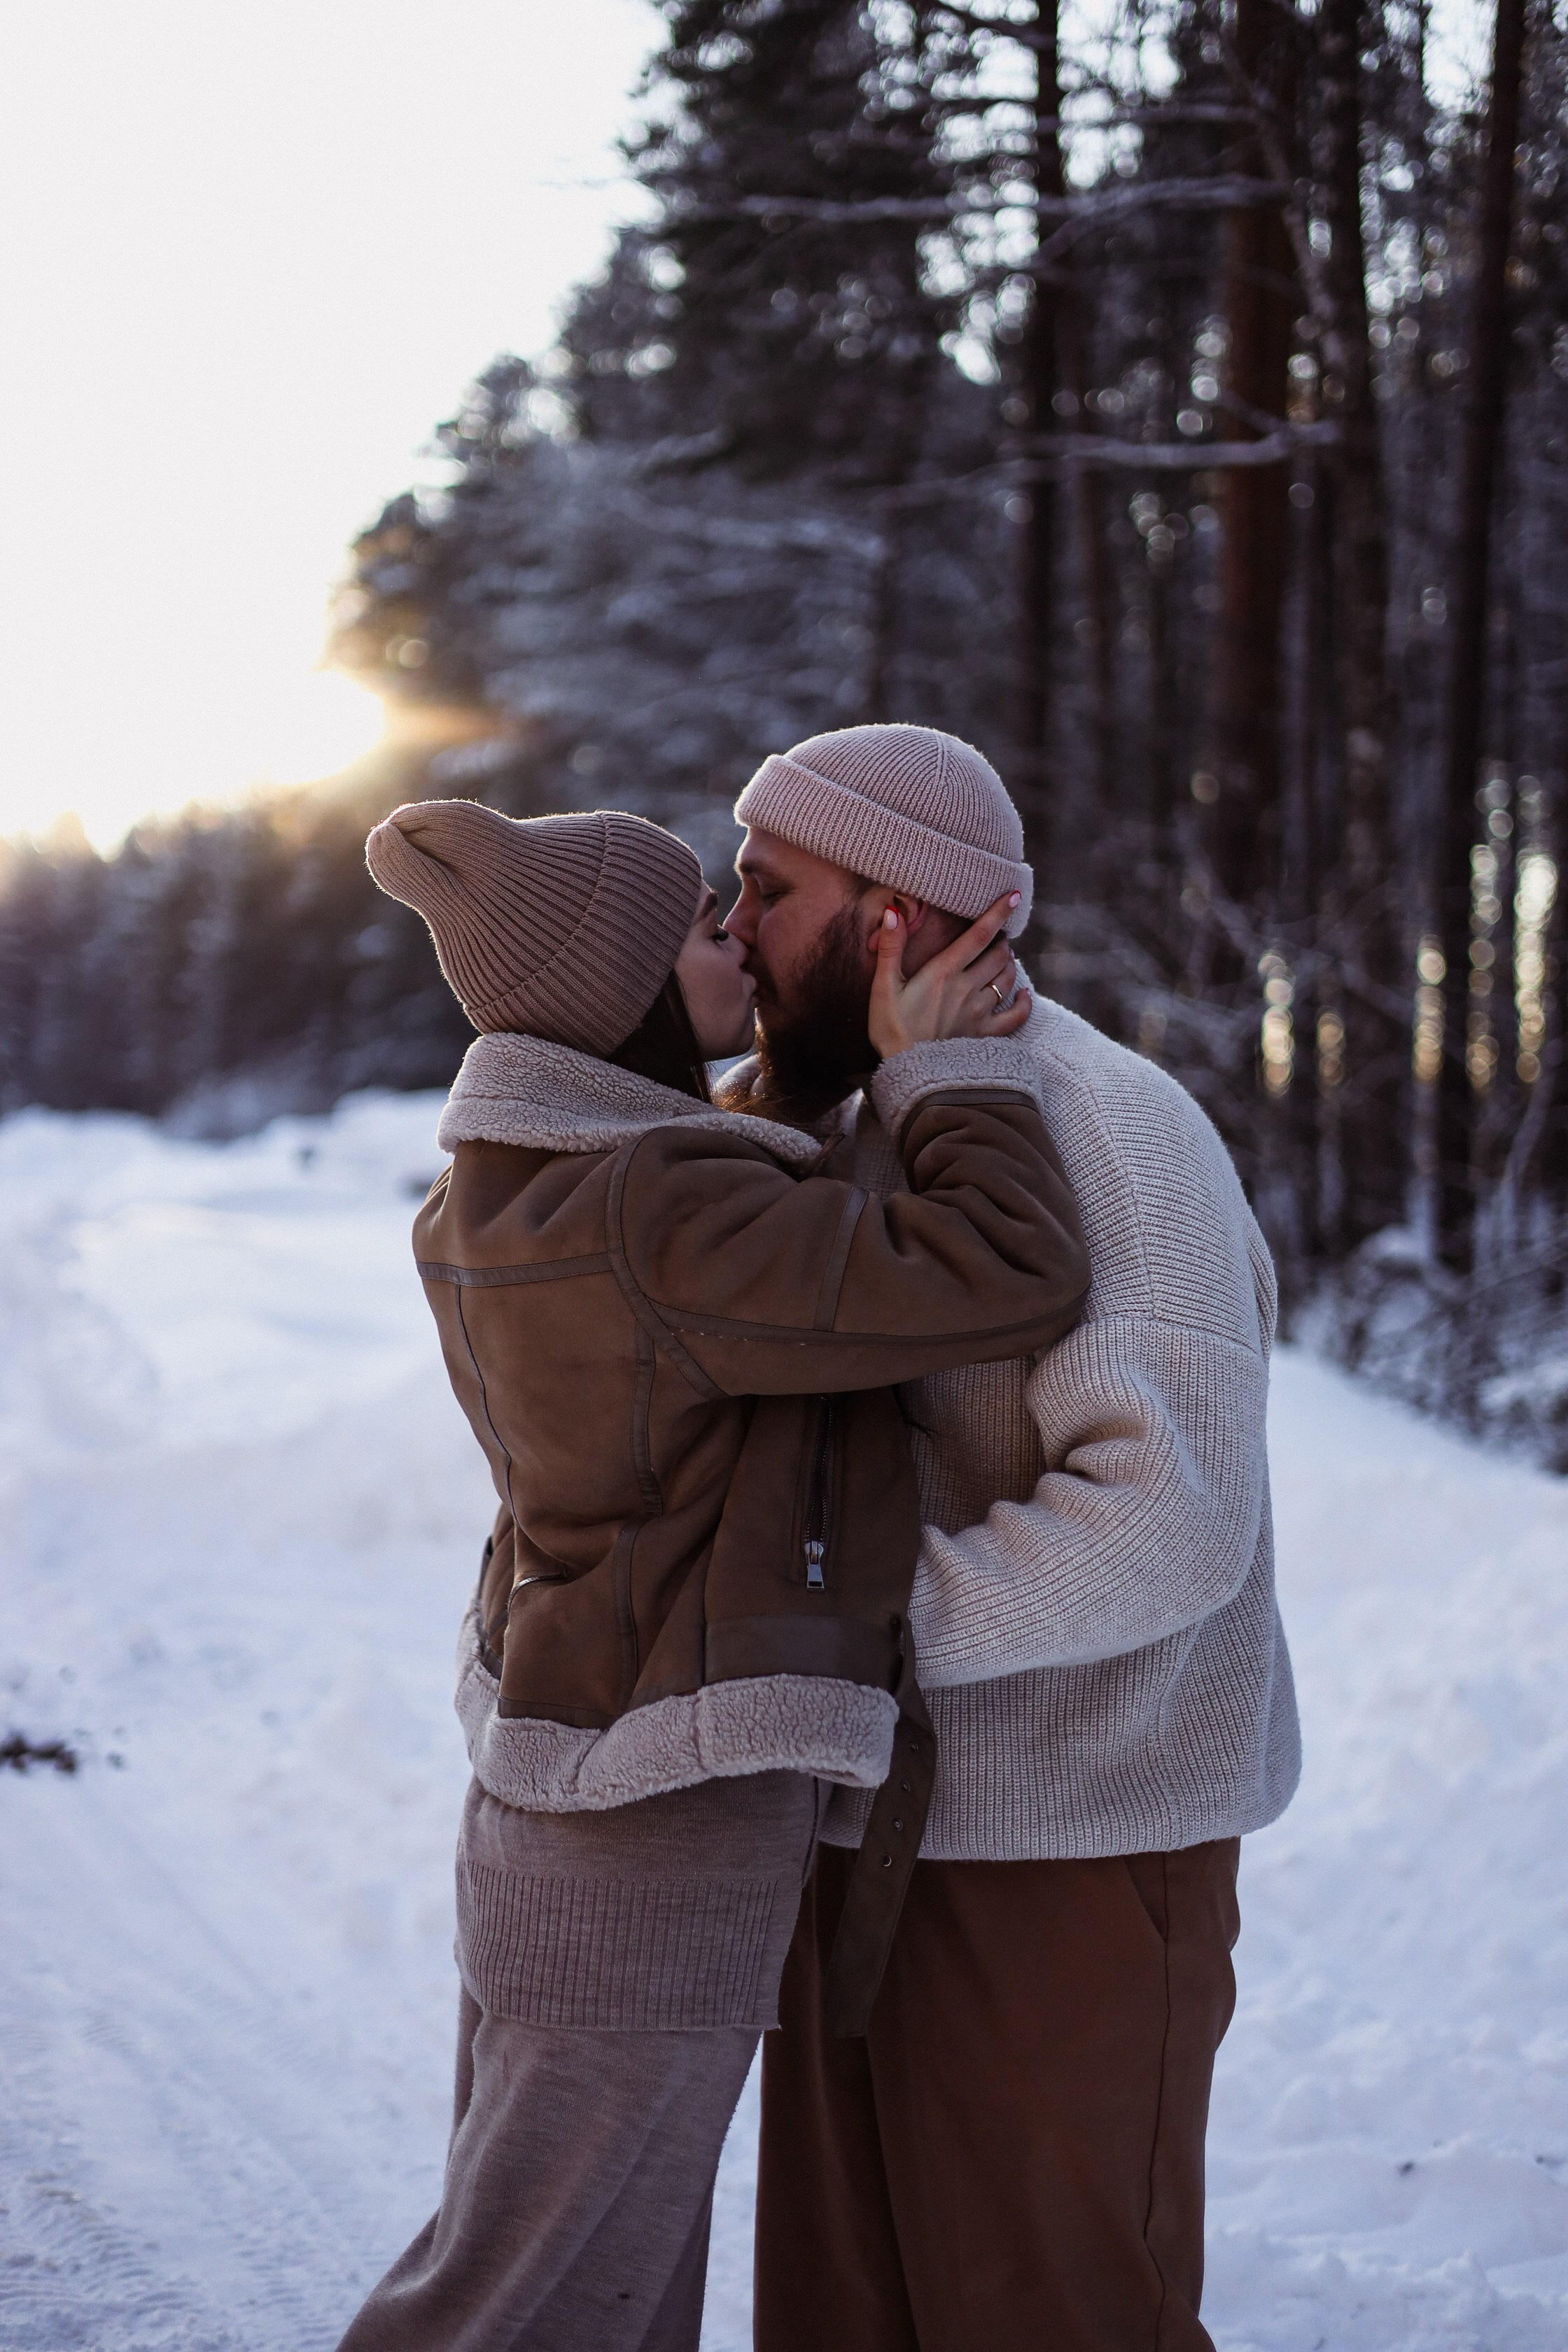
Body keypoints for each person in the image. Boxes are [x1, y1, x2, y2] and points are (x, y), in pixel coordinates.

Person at [335, 795, 1090, 2352]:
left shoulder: (501, 1192)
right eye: (698, 924)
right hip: (653, 1828)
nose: (736, 939)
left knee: (602, 2280)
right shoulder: (661, 1216)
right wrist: (951, 1070)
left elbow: (748, 1239)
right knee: (520, 2296)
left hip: (561, 1789)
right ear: (619, 989)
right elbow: (1004, 1271)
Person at [718, 722, 1302, 2352]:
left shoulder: (1114, 1129)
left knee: (1047, 2314)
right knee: (839, 2315)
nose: (733, 921)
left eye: (771, 889)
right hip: (844, 1836)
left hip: (1068, 1850)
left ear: (890, 919)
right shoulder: (829, 1122)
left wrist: (852, 1632)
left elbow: (1169, 1516)